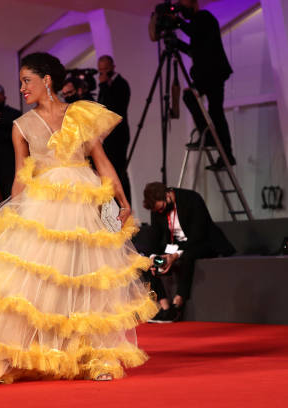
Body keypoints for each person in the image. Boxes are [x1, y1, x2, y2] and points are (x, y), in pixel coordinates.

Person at [0, 52, 158, 385]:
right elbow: (22, 176)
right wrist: (14, 214)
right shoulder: (21, 126)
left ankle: (97, 357)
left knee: (89, 280)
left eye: (27, 80)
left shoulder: (80, 114)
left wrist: (122, 200)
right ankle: (30, 352)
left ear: (47, 80)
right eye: (21, 82)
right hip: (44, 206)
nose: (22, 88)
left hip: (84, 202)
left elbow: (102, 160)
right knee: (37, 285)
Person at [142, 182, 235, 322]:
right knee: (148, 261)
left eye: (162, 208)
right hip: (174, 246)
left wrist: (175, 255)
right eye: (157, 211)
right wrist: (154, 257)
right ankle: (166, 308)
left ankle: (178, 303)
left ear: (167, 195)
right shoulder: (157, 208)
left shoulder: (191, 199)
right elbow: (155, 236)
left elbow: (198, 234)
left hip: (203, 242)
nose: (160, 212)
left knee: (188, 254)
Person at [176, 0, 236, 171]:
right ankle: (223, 151)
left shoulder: (204, 17)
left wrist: (177, 22)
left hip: (213, 73)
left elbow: (193, 31)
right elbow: (194, 51)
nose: (182, 10)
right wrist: (176, 43)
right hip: (209, 74)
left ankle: (214, 141)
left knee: (213, 111)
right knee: (215, 112)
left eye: (184, 5)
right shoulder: (198, 24)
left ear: (194, 4)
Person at [97, 55, 132, 204]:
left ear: (112, 67)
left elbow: (112, 109)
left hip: (118, 136)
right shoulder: (105, 85)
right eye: (100, 70)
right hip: (107, 136)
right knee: (107, 173)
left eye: (105, 69)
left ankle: (124, 205)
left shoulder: (121, 84)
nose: (103, 73)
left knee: (118, 171)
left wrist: (104, 85)